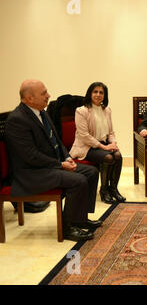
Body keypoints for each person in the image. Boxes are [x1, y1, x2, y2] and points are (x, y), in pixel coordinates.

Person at [5, 79, 102, 241]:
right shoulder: (17, 120)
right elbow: (30, 155)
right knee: (78, 180)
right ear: (29, 98)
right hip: (31, 173)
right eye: (43, 93)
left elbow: (57, 141)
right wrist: (60, 165)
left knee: (91, 172)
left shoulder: (42, 112)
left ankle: (80, 219)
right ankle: (68, 228)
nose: (48, 95)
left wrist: (67, 157)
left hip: (48, 166)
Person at [69, 82, 126, 204]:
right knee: (108, 157)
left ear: (105, 95)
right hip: (86, 147)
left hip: (103, 144)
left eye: (101, 92)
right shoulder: (81, 111)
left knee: (118, 155)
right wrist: (104, 147)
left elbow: (110, 132)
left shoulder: (107, 110)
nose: (98, 95)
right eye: (95, 92)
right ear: (90, 93)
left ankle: (113, 189)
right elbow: (84, 136)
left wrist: (113, 144)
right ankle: (104, 190)